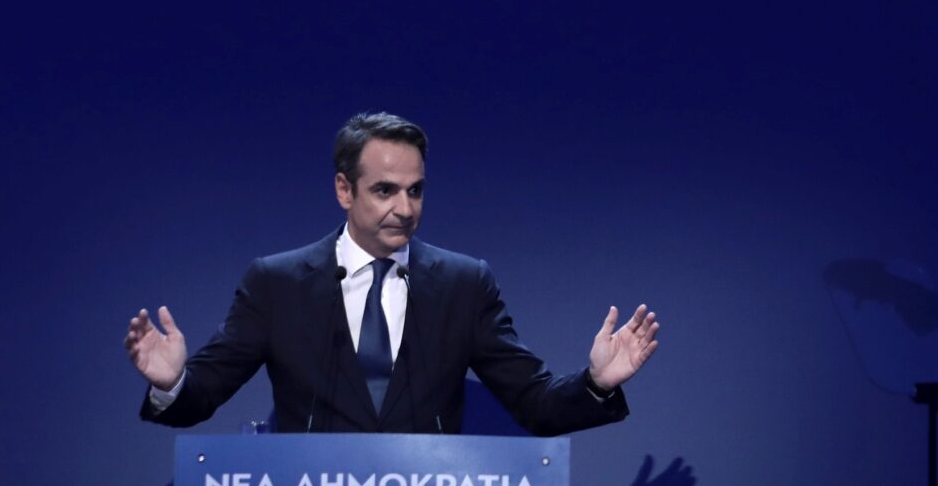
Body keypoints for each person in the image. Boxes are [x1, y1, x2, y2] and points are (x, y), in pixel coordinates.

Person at [126, 112, 660, 434]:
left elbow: (535, 404)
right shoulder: (278, 283)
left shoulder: (463, 284)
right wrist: (171, 383)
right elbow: (202, 396)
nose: (404, 209)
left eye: (415, 190)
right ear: (344, 190)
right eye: (385, 190)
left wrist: (595, 383)